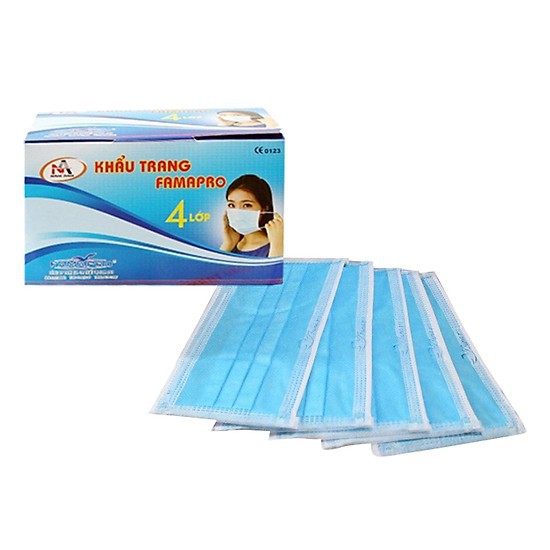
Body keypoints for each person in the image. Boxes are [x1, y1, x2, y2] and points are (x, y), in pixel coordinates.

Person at [221, 174, 284, 258]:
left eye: (246, 205)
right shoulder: (231, 246)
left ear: (264, 209)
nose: (237, 213)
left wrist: (277, 246)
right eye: (231, 205)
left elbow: (275, 267)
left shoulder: (276, 246)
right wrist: (227, 244)